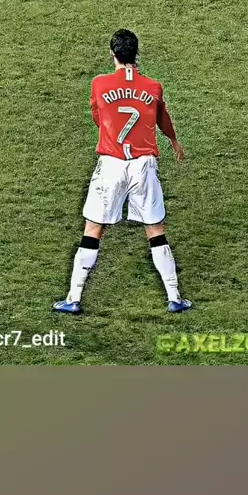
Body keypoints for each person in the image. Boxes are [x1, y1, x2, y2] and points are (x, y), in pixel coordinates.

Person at [53, 29, 192, 314]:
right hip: (143, 166)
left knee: (93, 229)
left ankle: (73, 299)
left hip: (111, 165)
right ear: (136, 53)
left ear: (112, 53)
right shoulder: (153, 87)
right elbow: (162, 117)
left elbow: (99, 117)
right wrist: (174, 141)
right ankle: (175, 297)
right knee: (155, 230)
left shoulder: (99, 84)